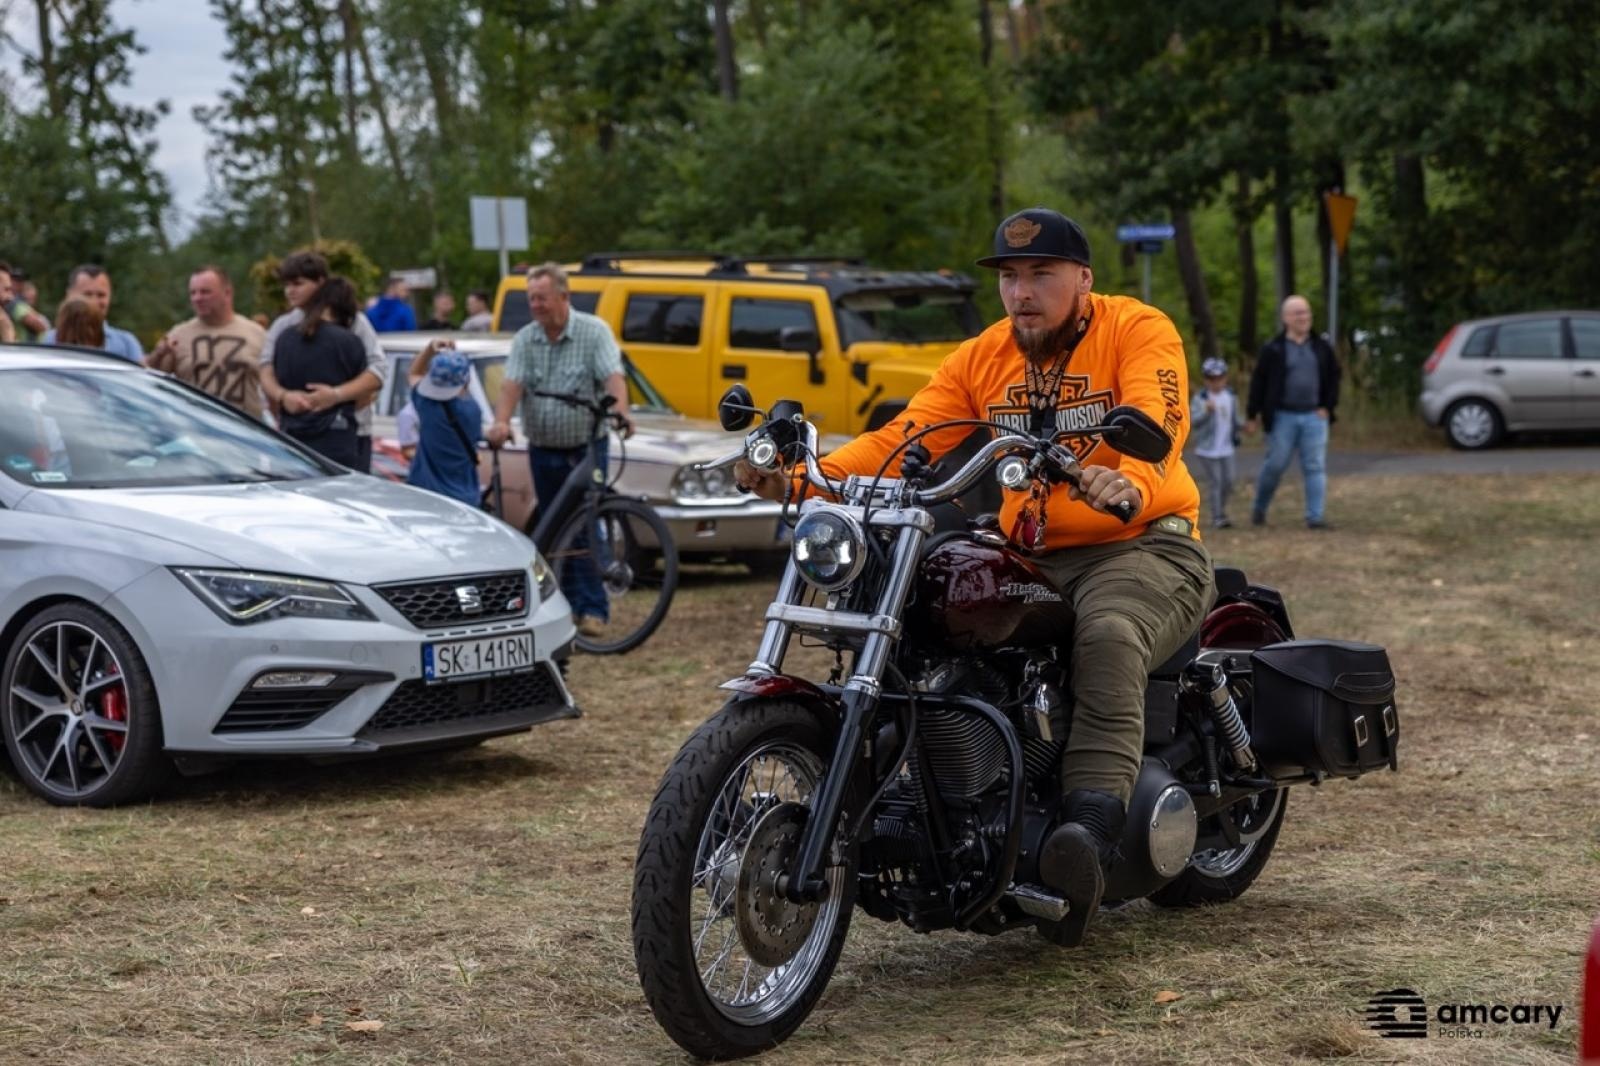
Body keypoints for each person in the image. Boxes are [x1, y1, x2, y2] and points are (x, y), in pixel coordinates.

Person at [736, 208, 1212, 948]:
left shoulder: (1136, 328)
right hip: (1032, 549)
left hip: (1140, 543)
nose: (1022, 292)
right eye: (1010, 277)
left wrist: (1129, 482)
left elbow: (1160, 418)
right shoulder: (981, 357)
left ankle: (1088, 835)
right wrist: (806, 478)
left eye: (1041, 274)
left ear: (1083, 279)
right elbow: (905, 437)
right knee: (931, 614)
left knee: (1110, 634)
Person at [487, 262, 636, 639]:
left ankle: (593, 610)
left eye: (542, 298)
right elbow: (512, 385)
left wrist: (621, 411)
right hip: (543, 448)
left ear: (563, 296)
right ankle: (563, 608)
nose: (535, 305)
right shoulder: (526, 339)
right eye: (531, 298)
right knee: (553, 528)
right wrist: (501, 422)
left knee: (584, 524)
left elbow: (613, 376)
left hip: (587, 447)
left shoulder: (593, 331)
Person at [258, 251, 388, 472]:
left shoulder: (354, 321)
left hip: (349, 432)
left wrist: (336, 395)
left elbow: (377, 372)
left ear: (320, 282)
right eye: (286, 285)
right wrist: (283, 396)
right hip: (296, 433)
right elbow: (265, 369)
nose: (290, 291)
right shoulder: (283, 325)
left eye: (298, 284)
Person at [1245, 294, 1341, 529]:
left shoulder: (1322, 347)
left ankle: (1315, 517)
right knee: (1275, 465)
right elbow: (1259, 382)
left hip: (1314, 417)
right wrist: (1252, 414)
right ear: (1286, 318)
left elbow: (1334, 377)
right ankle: (1259, 508)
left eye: (1306, 312)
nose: (1303, 317)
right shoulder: (1273, 349)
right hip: (1282, 417)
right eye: (1298, 313)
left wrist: (1327, 407)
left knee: (1315, 466)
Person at [146, 265, 268, 420]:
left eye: (205, 292)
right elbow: (150, 378)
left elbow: (273, 382)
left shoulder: (257, 334)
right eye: (193, 293)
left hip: (245, 429)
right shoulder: (178, 335)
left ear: (227, 293)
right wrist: (158, 354)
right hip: (196, 428)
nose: (197, 298)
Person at [271, 276, 368, 467]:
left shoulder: (284, 338)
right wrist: (336, 396)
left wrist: (285, 398)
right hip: (337, 442)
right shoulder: (350, 342)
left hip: (290, 440)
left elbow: (272, 388)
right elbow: (365, 397)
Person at [404, 342, 483, 507]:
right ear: (466, 380)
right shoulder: (473, 410)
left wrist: (430, 349)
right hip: (464, 496)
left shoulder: (425, 403)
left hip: (424, 491)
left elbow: (414, 373)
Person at [41, 265, 142, 362]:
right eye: (87, 294)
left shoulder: (126, 344)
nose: (94, 302)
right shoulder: (49, 341)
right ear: (69, 295)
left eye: (101, 295)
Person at [1189, 357, 1243, 529]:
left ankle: (1221, 510)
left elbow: (1235, 419)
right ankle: (1217, 516)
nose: (1216, 382)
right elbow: (1193, 421)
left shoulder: (1231, 396)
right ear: (1206, 380)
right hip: (1207, 449)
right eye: (1211, 379)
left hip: (1227, 448)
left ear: (1225, 378)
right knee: (1216, 482)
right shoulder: (1200, 399)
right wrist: (1206, 411)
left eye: (1219, 378)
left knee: (1229, 481)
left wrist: (1244, 427)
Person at [4, 264, 50, 342]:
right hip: (23, 346)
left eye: (21, 280)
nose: (18, 283)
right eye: (15, 280)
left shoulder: (21, 301)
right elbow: (39, 326)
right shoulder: (9, 301)